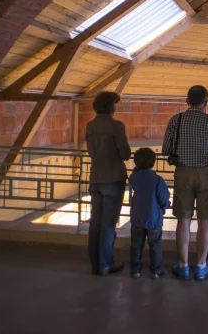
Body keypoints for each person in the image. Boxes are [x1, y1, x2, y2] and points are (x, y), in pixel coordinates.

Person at [161, 85, 208, 280]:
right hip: (207, 175)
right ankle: (202, 266)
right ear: (206, 103)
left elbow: (166, 150)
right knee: (205, 222)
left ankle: (183, 265)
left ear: (186, 102)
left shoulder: (176, 121)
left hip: (183, 174)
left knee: (183, 220)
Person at [86, 91, 131, 276]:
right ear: (110, 106)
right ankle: (106, 263)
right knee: (108, 224)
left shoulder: (90, 126)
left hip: (95, 177)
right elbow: (125, 153)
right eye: (115, 104)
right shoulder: (117, 126)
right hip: (113, 178)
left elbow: (90, 152)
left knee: (95, 222)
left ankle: (95, 263)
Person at [129, 148, 170, 279]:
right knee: (155, 245)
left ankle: (135, 270)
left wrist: (137, 169)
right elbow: (163, 197)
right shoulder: (157, 180)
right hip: (154, 219)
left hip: (137, 218)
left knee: (136, 245)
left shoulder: (134, 178)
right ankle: (156, 271)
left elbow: (133, 175)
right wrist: (164, 207)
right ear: (153, 162)